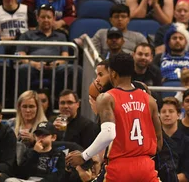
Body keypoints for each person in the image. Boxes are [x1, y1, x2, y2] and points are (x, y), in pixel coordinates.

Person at [65, 52, 163, 182]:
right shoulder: (149, 100)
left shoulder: (107, 98)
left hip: (120, 167)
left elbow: (108, 134)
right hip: (146, 166)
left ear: (113, 73)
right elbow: (159, 142)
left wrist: (84, 156)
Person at [159, 97, 189, 182]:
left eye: (171, 111)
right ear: (159, 114)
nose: (167, 114)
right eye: (163, 111)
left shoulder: (187, 143)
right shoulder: (154, 141)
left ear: (179, 115)